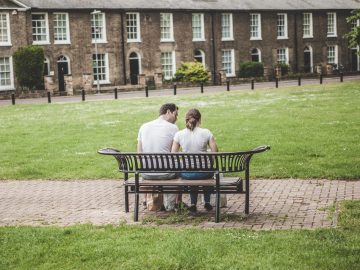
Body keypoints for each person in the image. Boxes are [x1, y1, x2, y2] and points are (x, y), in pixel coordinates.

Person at [171, 108, 218, 212]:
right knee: (207, 172)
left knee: (192, 176)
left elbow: (173, 154)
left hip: (187, 174)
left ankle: (193, 204)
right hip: (204, 173)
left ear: (186, 120)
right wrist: (210, 161)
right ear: (199, 120)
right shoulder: (206, 132)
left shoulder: (179, 134)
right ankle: (207, 202)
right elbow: (215, 151)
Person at [137, 103, 179, 211]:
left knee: (145, 165)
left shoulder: (144, 127)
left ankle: (146, 199)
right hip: (166, 173)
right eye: (175, 114)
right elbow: (174, 154)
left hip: (146, 173)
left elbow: (139, 154)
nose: (176, 118)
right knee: (180, 170)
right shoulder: (173, 128)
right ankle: (176, 202)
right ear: (168, 112)